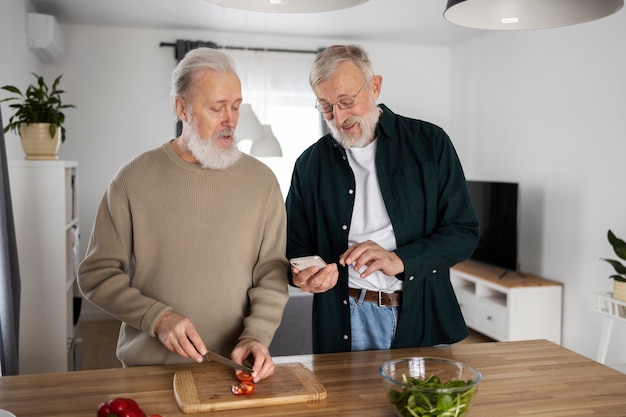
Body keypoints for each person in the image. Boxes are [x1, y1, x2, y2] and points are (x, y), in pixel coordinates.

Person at [78, 48, 289, 382]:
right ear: (181, 107)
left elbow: (271, 274)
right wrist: (157, 318)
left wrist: (256, 336)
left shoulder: (262, 182)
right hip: (149, 372)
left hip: (233, 371)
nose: (230, 120)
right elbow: (97, 275)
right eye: (216, 107)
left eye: (235, 107)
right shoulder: (132, 179)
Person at [286, 44, 479, 354]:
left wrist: (400, 259)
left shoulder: (431, 144)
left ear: (375, 86)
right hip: (345, 318)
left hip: (425, 314)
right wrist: (302, 277)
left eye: (347, 101)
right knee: (351, 405)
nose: (338, 117)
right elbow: (293, 246)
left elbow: (463, 232)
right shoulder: (309, 165)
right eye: (325, 106)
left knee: (428, 404)